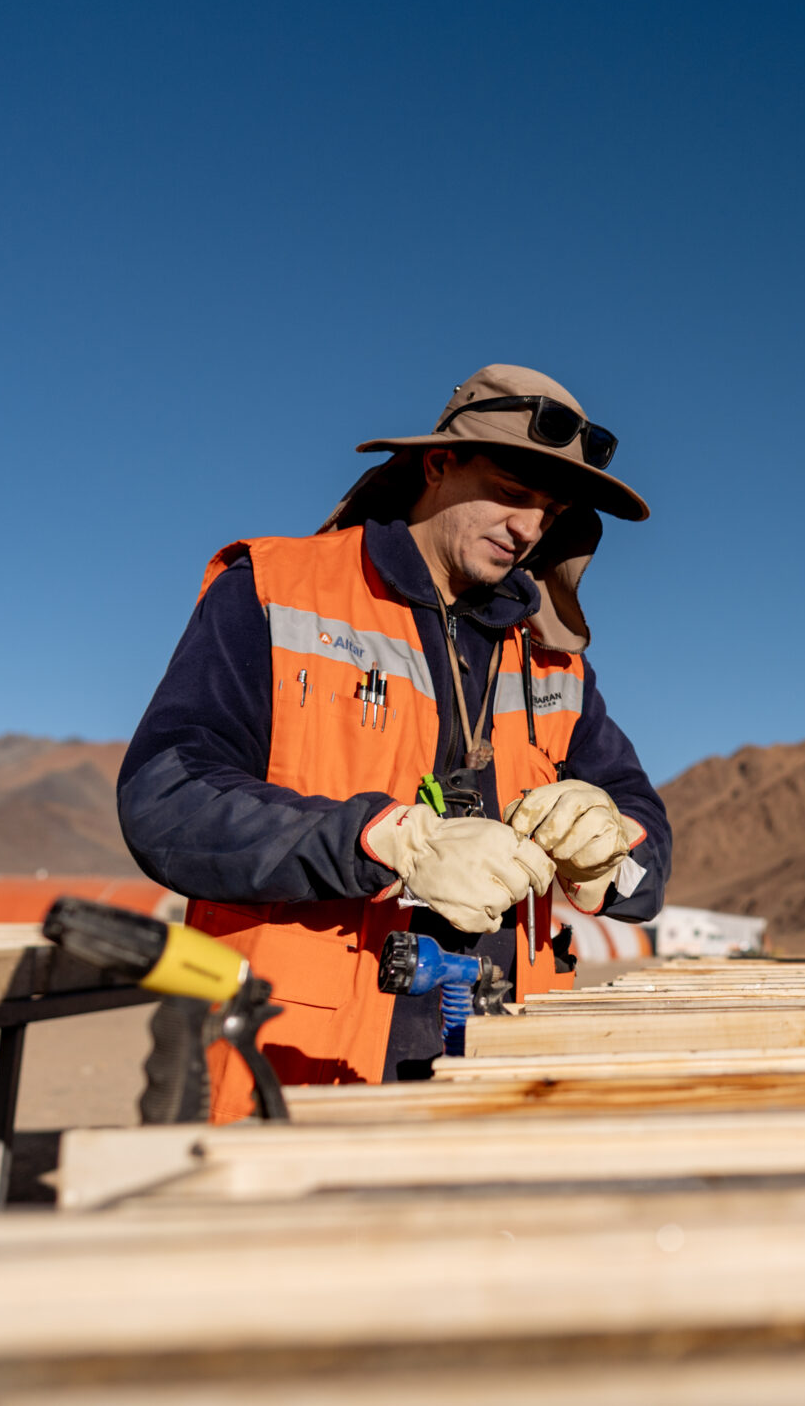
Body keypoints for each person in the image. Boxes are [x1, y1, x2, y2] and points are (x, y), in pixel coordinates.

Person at [119, 364, 672, 1116]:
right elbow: (168, 799)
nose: (529, 529)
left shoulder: (552, 661)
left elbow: (648, 839)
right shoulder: (277, 592)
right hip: (294, 1073)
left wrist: (610, 852)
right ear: (438, 464)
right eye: (512, 493)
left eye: (549, 510)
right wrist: (384, 841)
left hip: (503, 1075)